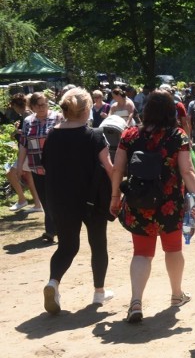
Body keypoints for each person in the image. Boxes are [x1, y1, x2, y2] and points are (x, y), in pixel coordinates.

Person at [110, 89, 195, 323]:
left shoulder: (129, 135)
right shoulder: (177, 136)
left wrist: (114, 198)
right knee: (173, 249)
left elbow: (118, 169)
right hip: (168, 203)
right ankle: (176, 294)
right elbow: (187, 170)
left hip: (137, 201)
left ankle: (136, 301)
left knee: (141, 252)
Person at [41, 88, 115, 315]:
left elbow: (46, 167)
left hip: (60, 200)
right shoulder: (94, 135)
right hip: (92, 200)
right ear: (86, 110)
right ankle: (99, 292)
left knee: (67, 246)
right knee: (98, 243)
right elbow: (111, 168)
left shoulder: (52, 134)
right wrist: (118, 193)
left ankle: (53, 283)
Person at [16, 92, 62, 242]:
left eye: (45, 104)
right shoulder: (28, 121)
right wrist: (19, 165)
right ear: (33, 106)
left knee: (55, 199)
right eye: (39, 105)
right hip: (36, 167)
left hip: (56, 167)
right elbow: (24, 144)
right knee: (45, 200)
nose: (43, 107)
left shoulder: (57, 117)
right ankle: (52, 229)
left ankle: (56, 230)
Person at [6, 93, 42, 213]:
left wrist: (17, 131)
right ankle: (37, 204)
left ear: (16, 105)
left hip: (28, 150)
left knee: (10, 173)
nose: (13, 109)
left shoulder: (26, 113)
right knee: (29, 178)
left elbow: (30, 131)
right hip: (29, 149)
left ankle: (22, 199)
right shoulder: (26, 113)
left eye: (13, 106)